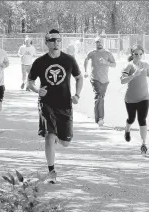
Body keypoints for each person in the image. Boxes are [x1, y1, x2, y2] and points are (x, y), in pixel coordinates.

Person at [27, 29, 83, 184]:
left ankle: (58, 136)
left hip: (65, 104)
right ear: (47, 42)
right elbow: (29, 83)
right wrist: (38, 90)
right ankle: (51, 170)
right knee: (49, 136)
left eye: (58, 40)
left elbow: (79, 78)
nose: (56, 43)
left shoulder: (69, 60)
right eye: (52, 40)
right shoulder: (39, 62)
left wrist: (77, 95)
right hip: (46, 104)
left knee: (65, 143)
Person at [120, 44, 149, 154]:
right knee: (131, 118)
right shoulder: (128, 66)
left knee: (142, 119)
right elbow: (122, 81)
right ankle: (127, 129)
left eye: (140, 54)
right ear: (132, 54)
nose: (138, 56)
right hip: (131, 99)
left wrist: (148, 70)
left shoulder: (145, 64)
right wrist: (134, 74)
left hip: (144, 97)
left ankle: (143, 143)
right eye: (136, 54)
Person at [84, 36, 116, 127]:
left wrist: (106, 63)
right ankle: (100, 119)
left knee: (100, 98)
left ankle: (97, 118)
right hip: (95, 79)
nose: (100, 43)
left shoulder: (108, 54)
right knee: (99, 96)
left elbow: (114, 64)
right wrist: (86, 71)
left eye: (101, 42)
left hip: (105, 80)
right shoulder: (92, 53)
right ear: (95, 43)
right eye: (98, 42)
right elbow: (86, 60)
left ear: (103, 43)